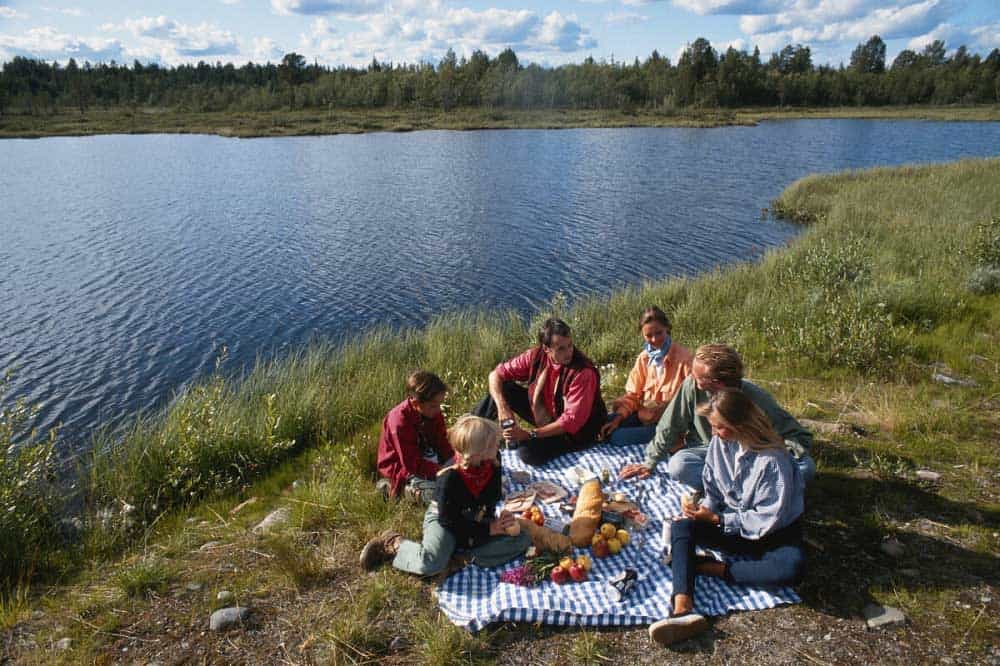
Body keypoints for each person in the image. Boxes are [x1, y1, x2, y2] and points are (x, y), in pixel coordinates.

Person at [648, 388, 805, 646]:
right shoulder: (720, 444)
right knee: (682, 527)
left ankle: (708, 567)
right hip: (732, 524)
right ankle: (682, 608)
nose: (714, 433)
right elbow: (712, 488)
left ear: (739, 425)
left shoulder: (773, 460)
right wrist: (702, 511)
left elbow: (767, 519)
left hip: (774, 532)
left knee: (791, 568)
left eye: (719, 427)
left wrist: (718, 521)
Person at [619, 343, 815, 488]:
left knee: (805, 468)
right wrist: (649, 462)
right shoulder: (691, 387)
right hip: (708, 450)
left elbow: (798, 436)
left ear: (718, 383)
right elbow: (670, 424)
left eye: (698, 378)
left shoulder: (756, 399)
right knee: (679, 465)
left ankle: (745, 490)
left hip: (752, 457)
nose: (692, 381)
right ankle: (737, 491)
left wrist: (772, 455)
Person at [359, 415, 530, 575]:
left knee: (521, 539)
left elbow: (492, 497)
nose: (498, 446)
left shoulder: (493, 461)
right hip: (447, 520)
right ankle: (393, 544)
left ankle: (457, 559)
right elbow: (449, 520)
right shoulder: (449, 477)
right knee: (430, 564)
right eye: (494, 444)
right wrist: (487, 530)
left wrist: (499, 519)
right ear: (478, 452)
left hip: (476, 517)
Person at [471, 317, 606, 466]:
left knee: (527, 452)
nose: (569, 352)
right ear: (546, 349)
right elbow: (495, 375)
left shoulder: (582, 373)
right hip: (548, 414)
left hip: (576, 433)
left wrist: (531, 434)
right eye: (561, 348)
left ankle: (486, 450)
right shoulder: (535, 356)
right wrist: (503, 408)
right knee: (504, 389)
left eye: (570, 345)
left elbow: (570, 422)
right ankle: (469, 435)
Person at [600, 306, 693, 447]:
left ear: (667, 328)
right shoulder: (644, 359)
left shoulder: (685, 360)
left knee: (615, 437)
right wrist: (618, 419)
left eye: (659, 333)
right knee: (605, 422)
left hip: (670, 426)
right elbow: (632, 396)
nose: (655, 340)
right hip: (645, 417)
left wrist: (663, 410)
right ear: (642, 335)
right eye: (649, 336)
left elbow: (691, 402)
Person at [375, 370, 455, 504]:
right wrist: (442, 471)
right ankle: (395, 489)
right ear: (415, 403)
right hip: (401, 467)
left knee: (458, 480)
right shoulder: (399, 421)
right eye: (434, 405)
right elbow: (411, 464)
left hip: (426, 456)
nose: (438, 410)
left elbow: (442, 442)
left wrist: (454, 461)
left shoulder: (432, 412)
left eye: (439, 404)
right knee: (443, 494)